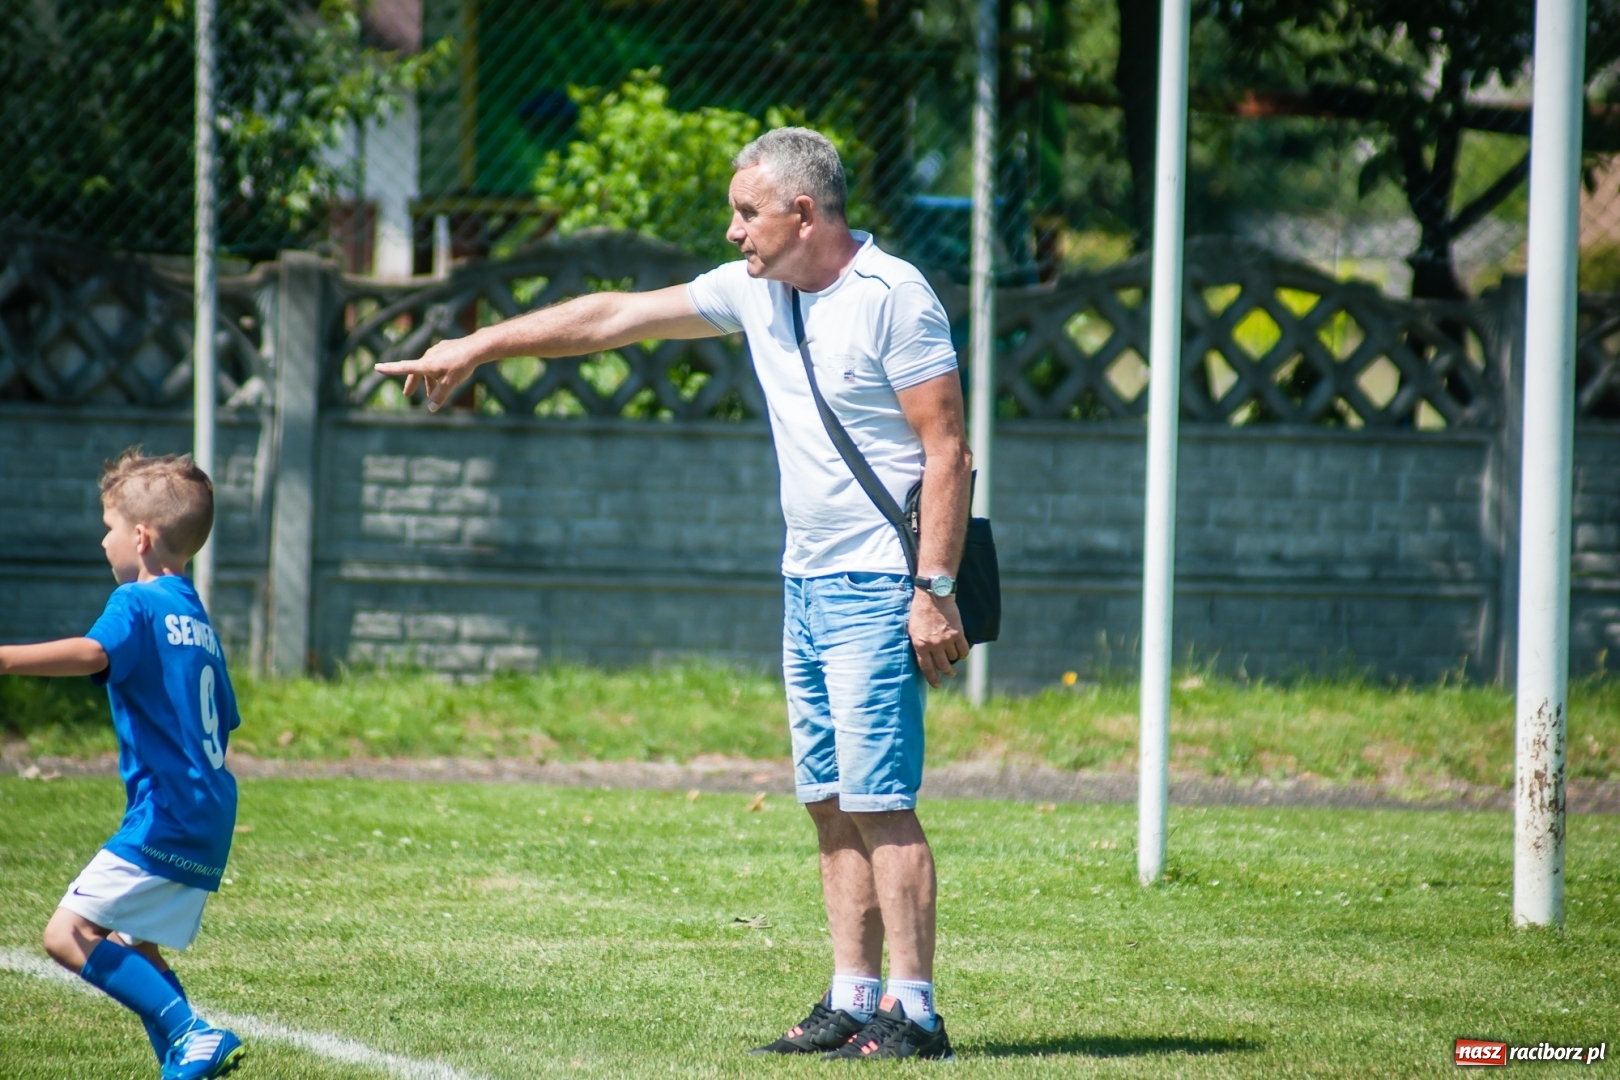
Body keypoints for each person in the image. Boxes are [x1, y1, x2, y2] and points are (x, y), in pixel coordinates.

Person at [377, 126, 967, 1061]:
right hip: (804, 581)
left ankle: (916, 1012)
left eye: (746, 213)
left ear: (802, 214)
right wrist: (478, 345)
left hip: (876, 583)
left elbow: (947, 450)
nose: (733, 233)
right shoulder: (754, 291)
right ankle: (854, 997)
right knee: (827, 799)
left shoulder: (896, 298)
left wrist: (930, 590)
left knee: (880, 798)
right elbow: (613, 317)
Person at [0, 450, 246, 1080]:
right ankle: (182, 1061)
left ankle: (192, 1033)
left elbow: (91, 653)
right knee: (134, 944)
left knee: (67, 936)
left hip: (165, 810)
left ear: (139, 537)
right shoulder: (195, 616)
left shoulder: (135, 604)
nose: (103, 540)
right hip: (207, 807)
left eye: (108, 527)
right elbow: (221, 717)